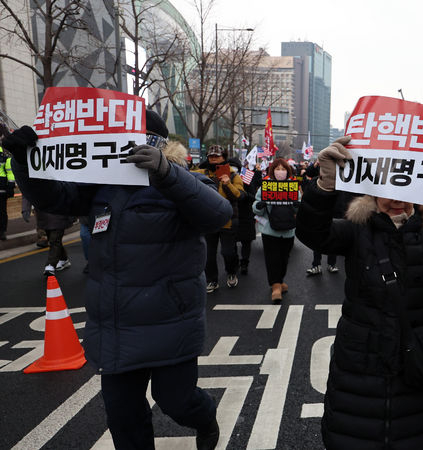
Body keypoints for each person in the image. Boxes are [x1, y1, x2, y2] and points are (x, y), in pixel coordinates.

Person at [3, 110, 232, 450]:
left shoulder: (183, 180)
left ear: (156, 143)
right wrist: (25, 163)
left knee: (178, 402)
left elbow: (217, 214)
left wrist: (166, 173)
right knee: (123, 419)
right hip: (114, 323)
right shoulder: (98, 184)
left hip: (171, 321)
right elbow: (53, 198)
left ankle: (205, 417)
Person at [296, 136, 423, 449]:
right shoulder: (356, 227)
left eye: (406, 194)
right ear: (373, 190)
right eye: (388, 193)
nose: (397, 201)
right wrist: (325, 185)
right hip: (358, 364)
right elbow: (314, 233)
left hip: (412, 364)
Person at [193, 145, 246, 292]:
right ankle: (212, 280)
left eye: (217, 156)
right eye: (211, 156)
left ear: (224, 158)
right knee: (209, 254)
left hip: (228, 220)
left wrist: (227, 184)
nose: (214, 159)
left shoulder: (233, 175)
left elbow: (241, 196)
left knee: (228, 252)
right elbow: (184, 177)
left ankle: (231, 272)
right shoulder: (201, 173)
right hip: (208, 220)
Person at [253, 158, 300, 302]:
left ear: (288, 171)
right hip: (269, 230)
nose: (280, 171)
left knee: (284, 258)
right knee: (272, 258)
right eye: (277, 169)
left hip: (288, 230)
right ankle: (276, 286)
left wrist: (296, 204)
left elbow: (299, 208)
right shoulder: (265, 187)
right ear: (272, 171)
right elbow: (256, 206)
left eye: (283, 169)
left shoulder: (293, 187)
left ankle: (279, 281)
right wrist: (258, 206)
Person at [36, 209, 74, 275]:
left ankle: (50, 265)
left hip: (59, 215)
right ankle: (64, 259)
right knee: (54, 240)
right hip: (45, 217)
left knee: (54, 240)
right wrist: (25, 209)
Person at [0, 141, 14, 240]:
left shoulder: (6, 159)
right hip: (3, 188)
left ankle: (2, 232)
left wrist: (10, 187)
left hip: (2, 188)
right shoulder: (6, 159)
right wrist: (10, 187)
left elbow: (10, 175)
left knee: (2, 212)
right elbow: (10, 175)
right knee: (2, 211)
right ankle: (2, 232)